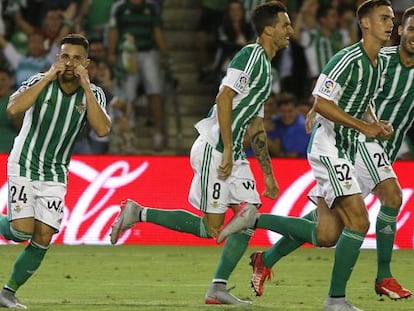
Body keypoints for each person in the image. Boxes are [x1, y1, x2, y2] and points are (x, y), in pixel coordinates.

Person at [110, 1, 293, 305]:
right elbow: (223, 98)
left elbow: (256, 124)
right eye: (285, 25)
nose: (291, 31)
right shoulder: (250, 56)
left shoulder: (266, 69)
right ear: (269, 29)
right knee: (211, 229)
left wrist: (268, 175)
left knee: (248, 216)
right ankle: (138, 212)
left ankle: (218, 287)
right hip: (214, 147)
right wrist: (226, 151)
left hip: (231, 150)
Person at [217, 1, 395, 310]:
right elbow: (321, 100)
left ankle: (255, 221)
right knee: (359, 220)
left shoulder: (375, 62)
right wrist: (362, 127)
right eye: (384, 18)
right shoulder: (348, 58)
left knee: (325, 234)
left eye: (392, 18)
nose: (391, 23)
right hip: (328, 147)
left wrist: (374, 122)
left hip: (346, 149)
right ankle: (335, 299)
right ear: (365, 24)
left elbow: (359, 100)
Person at [0, 33, 110, 309]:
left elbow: (102, 130)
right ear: (56, 58)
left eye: (76, 58)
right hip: (24, 163)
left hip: (55, 172)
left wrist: (86, 85)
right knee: (22, 231)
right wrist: (48, 77)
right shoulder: (40, 81)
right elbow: (13, 109)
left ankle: (8, 292)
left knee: (44, 236)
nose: (69, 63)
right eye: (64, 56)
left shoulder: (93, 94)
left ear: (86, 62)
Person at [108, 0, 170, 151]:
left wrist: (164, 54)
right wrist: (111, 52)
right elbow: (114, 30)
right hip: (127, 54)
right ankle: (129, 133)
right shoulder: (119, 7)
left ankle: (158, 132)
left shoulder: (151, 7)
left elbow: (157, 30)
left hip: (149, 52)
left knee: (155, 92)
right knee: (127, 96)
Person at [0, 68, 22, 153]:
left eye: (3, 80)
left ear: (10, 81)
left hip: (10, 150)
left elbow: (23, 127)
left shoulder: (18, 99)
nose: (0, 83)